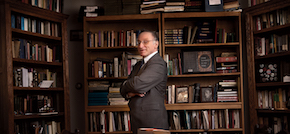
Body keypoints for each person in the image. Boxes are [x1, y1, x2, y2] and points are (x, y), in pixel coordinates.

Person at [120, 30, 169, 134]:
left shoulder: (158, 64)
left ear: (156, 44)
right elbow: (122, 90)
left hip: (152, 120)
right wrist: (130, 92)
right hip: (137, 120)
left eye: (145, 42)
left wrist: (128, 85)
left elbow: (137, 85)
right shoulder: (138, 65)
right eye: (138, 42)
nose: (141, 46)